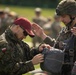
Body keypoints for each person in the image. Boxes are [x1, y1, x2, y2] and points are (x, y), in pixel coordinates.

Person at [32, 0, 76, 75]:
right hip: (62, 69)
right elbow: (57, 47)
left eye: (64, 16)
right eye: (60, 16)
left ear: (73, 15)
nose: (61, 19)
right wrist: (42, 35)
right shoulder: (65, 30)